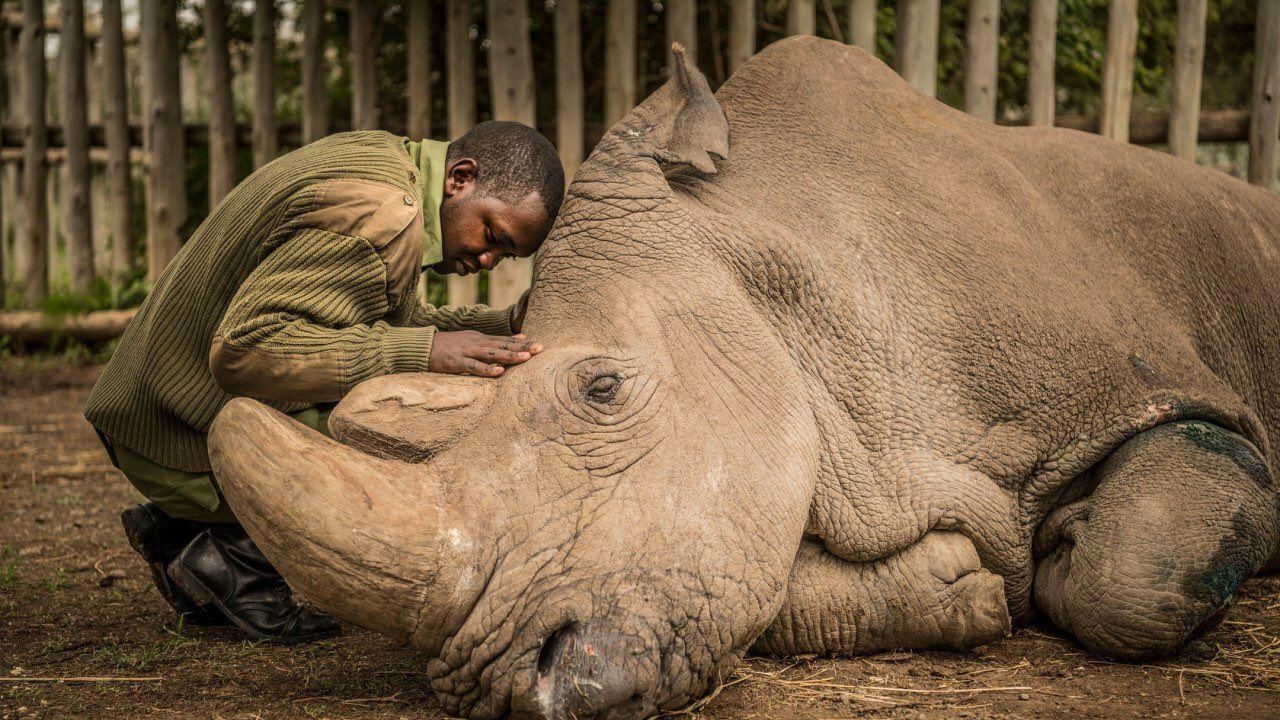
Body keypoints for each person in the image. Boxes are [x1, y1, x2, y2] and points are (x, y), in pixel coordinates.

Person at [84, 122, 565, 643]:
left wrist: (504, 327)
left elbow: (383, 322)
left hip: (150, 407)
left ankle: (181, 526)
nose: (488, 259)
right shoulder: (383, 216)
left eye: (508, 256)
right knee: (415, 429)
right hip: (171, 435)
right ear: (460, 179)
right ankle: (230, 555)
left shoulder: (388, 165)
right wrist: (422, 353)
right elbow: (244, 350)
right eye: (493, 235)